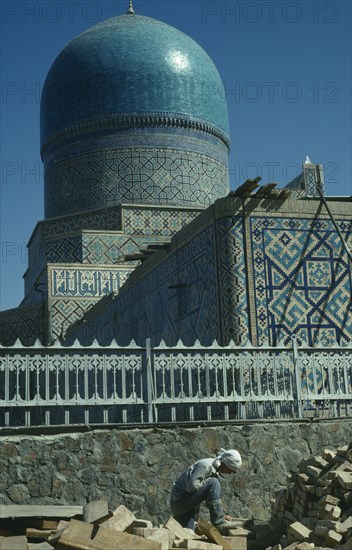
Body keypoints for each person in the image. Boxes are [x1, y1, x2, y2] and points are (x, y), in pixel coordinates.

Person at [170, 448, 243, 533]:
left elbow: (210, 498)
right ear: (225, 464)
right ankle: (219, 522)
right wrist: (207, 483)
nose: (230, 473)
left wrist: (221, 514)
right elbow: (192, 487)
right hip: (179, 501)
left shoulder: (214, 470)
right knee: (213, 482)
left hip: (187, 509)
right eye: (231, 470)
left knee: (187, 535)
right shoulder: (205, 465)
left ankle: (219, 519)